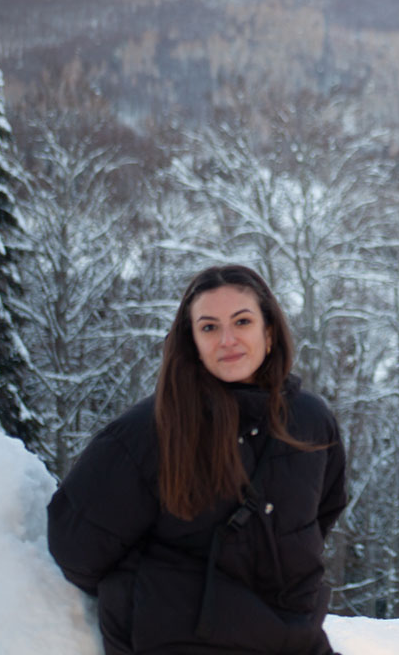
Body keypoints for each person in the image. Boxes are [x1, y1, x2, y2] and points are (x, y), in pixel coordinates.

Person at [47, 265, 347, 655]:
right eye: (208, 327)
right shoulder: (148, 432)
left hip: (293, 640)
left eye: (242, 321)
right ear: (191, 341)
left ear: (269, 332)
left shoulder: (311, 422)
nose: (227, 339)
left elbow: (320, 514)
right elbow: (76, 547)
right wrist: (157, 592)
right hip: (179, 640)